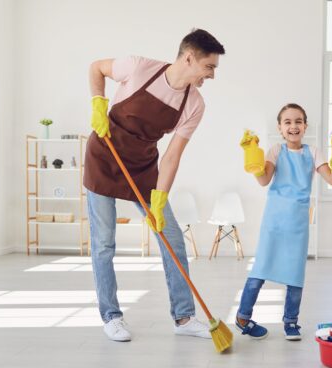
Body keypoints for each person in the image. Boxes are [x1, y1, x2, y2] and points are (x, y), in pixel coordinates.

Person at [83, 29, 225, 342]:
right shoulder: (138, 67)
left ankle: (184, 317)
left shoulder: (194, 104)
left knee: (171, 237)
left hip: (143, 166)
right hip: (104, 157)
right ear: (189, 57)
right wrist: (98, 103)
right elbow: (96, 67)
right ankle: (112, 316)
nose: (212, 75)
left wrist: (159, 199)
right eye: (209, 67)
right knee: (104, 243)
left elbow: (172, 156)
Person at [235, 103, 332, 340]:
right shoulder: (276, 150)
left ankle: (291, 321)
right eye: (287, 122)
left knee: (296, 274)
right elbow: (264, 180)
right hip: (274, 222)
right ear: (280, 128)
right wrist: (252, 155)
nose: (293, 126)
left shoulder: (313, 152)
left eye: (298, 121)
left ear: (305, 126)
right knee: (261, 268)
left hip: (297, 223)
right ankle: (243, 315)